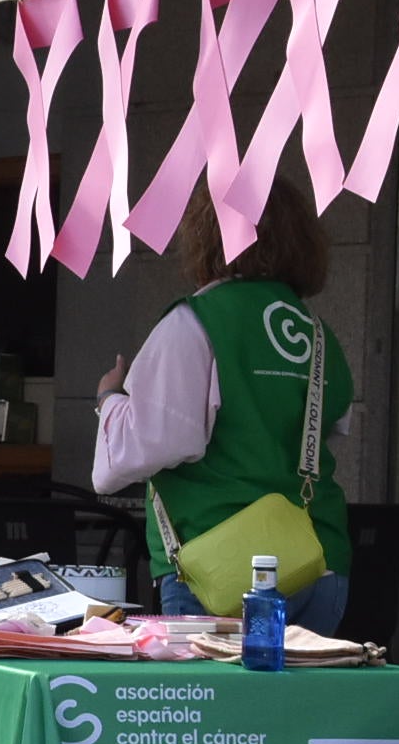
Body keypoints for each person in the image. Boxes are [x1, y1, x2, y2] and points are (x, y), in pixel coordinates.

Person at [93, 178, 355, 635]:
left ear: (206, 236)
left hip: (221, 571)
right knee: (300, 707)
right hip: (319, 561)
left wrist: (109, 399)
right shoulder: (319, 333)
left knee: (214, 707)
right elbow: (320, 428)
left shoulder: (194, 321)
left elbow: (138, 451)